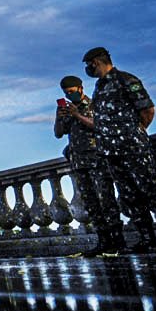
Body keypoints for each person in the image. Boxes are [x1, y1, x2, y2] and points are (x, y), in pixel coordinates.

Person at [70, 47, 156, 252]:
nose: (88, 68)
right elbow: (101, 122)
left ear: (95, 62)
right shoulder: (100, 87)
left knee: (151, 191)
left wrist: (134, 134)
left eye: (88, 65)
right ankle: (147, 239)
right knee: (130, 196)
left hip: (133, 149)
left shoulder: (126, 80)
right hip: (110, 152)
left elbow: (147, 109)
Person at [54, 75, 124, 256]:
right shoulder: (67, 109)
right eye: (66, 93)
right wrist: (59, 118)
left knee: (106, 201)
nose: (70, 95)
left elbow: (98, 126)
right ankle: (103, 241)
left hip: (96, 160)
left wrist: (77, 114)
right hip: (79, 162)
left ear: (80, 88)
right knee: (92, 204)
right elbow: (58, 134)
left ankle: (117, 242)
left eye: (72, 91)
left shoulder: (93, 105)